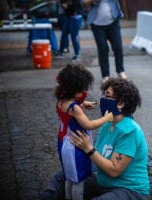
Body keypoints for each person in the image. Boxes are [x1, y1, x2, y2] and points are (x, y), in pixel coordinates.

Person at [69, 78, 150, 199]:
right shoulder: (108, 124)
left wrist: (88, 149)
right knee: (68, 175)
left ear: (121, 103)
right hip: (104, 183)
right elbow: (99, 159)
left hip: (130, 190)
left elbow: (114, 170)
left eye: (108, 96)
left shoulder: (130, 131)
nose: (102, 100)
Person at [54, 64, 113, 200]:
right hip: (76, 145)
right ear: (73, 90)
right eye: (83, 90)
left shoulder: (62, 100)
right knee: (79, 179)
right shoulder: (74, 108)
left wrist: (83, 103)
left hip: (65, 141)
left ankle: (67, 197)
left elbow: (70, 108)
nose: (85, 92)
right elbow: (89, 124)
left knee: (70, 176)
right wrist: (105, 118)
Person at [82, 0, 128, 83]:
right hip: (97, 25)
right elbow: (83, 3)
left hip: (113, 23)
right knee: (103, 49)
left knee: (118, 47)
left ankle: (120, 71)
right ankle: (105, 75)